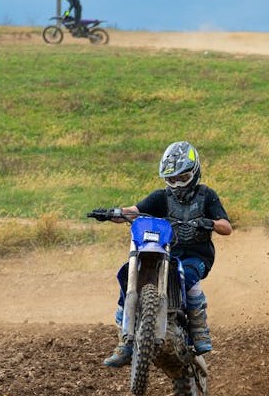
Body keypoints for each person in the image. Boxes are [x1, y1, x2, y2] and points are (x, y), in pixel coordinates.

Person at [100, 141, 233, 368]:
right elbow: (135, 210)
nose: (178, 185)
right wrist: (113, 213)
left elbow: (226, 227)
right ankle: (125, 341)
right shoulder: (162, 197)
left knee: (188, 276)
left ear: (195, 172)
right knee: (128, 273)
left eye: (183, 178)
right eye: (172, 180)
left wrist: (208, 223)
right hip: (165, 253)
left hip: (196, 255)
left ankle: (200, 330)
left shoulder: (206, 195)